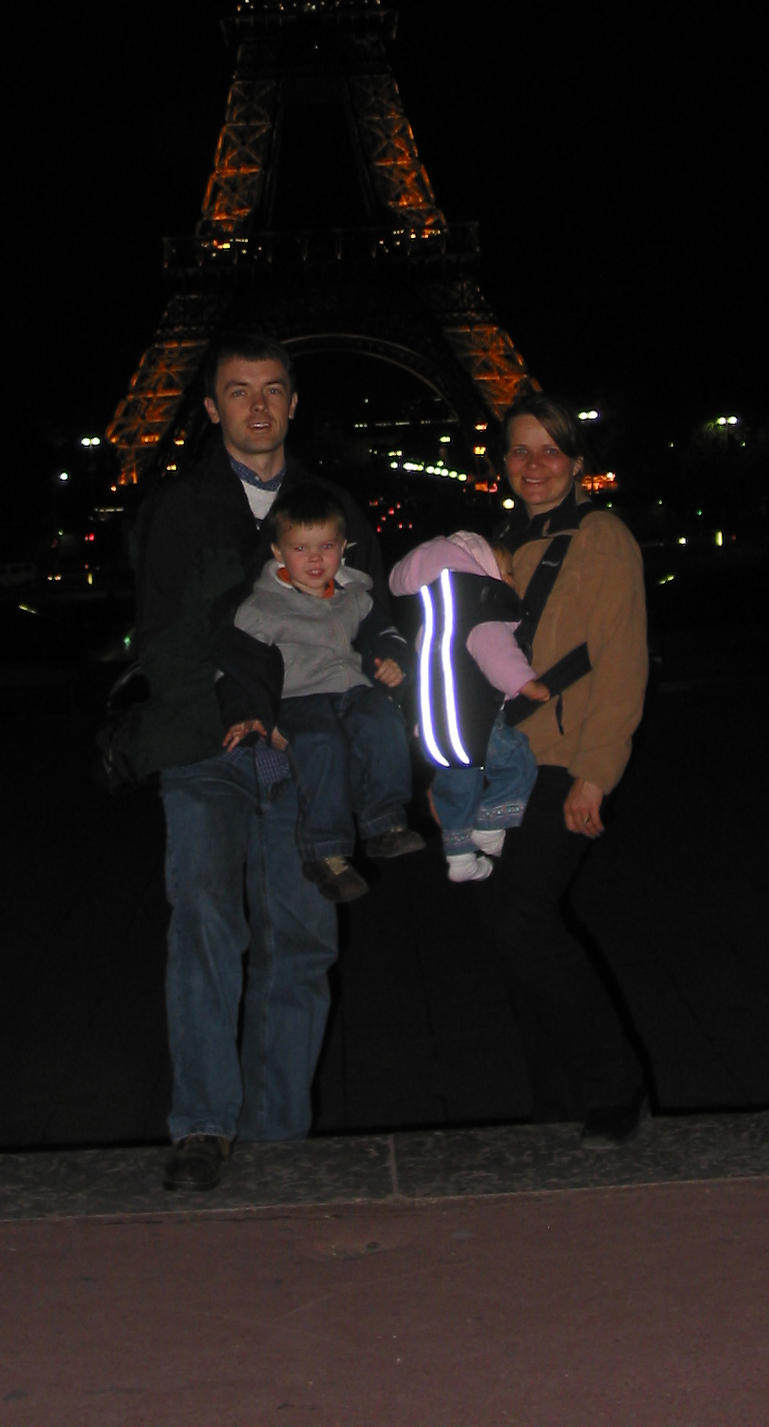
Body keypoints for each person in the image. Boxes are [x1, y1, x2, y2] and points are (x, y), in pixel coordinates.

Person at [127, 331, 399, 1193]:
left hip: (304, 757)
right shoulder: (177, 508)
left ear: (291, 402)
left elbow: (370, 624)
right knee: (207, 927)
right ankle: (205, 1123)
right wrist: (244, 710)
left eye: (271, 389)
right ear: (211, 406)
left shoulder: (336, 511)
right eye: (238, 390)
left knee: (302, 937)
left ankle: (279, 1131)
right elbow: (164, 642)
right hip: (209, 750)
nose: (256, 405)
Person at [482, 391, 653, 1144]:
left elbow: (620, 661)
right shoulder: (498, 548)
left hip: (561, 759)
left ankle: (611, 1083)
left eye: (549, 449)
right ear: (502, 466)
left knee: (523, 916)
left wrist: (597, 774)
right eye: (520, 450)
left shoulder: (602, 537)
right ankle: (553, 1095)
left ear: (577, 464)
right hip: (501, 763)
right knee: (509, 926)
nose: (534, 463)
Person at [220, 481, 422, 904]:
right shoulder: (259, 609)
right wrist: (254, 715)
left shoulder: (356, 594)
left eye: (326, 546)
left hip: (352, 687)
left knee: (384, 721)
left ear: (344, 547)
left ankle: (385, 821)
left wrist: (390, 659)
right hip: (298, 697)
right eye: (300, 548)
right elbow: (238, 666)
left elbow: (382, 633)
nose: (315, 559)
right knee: (321, 746)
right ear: (277, 552)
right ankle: (325, 852)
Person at [387, 531, 549, 881]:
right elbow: (497, 654)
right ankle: (491, 826)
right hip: (477, 718)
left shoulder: (436, 621)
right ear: (478, 570)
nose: (511, 580)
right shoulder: (482, 612)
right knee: (516, 760)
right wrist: (525, 684)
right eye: (505, 571)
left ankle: (459, 857)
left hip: (436, 724)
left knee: (458, 785)